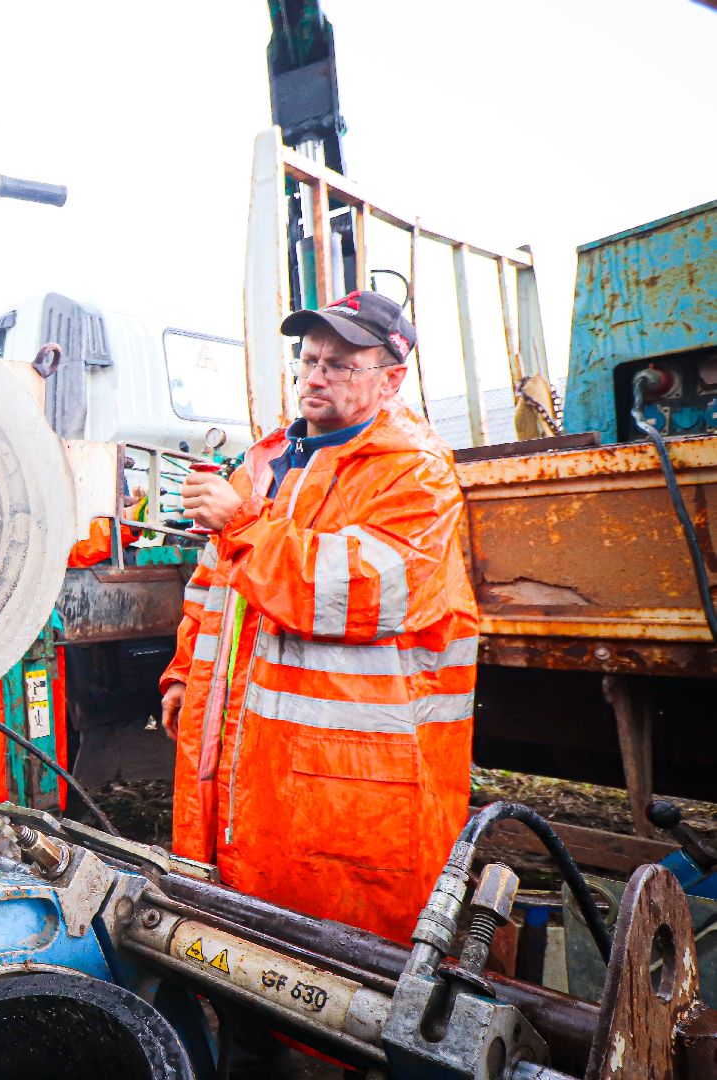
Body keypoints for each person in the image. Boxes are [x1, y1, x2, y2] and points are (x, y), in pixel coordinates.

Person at [160, 290, 477, 949]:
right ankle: (247, 1040)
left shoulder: (415, 475)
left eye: (340, 364)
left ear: (392, 378)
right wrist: (183, 677)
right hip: (246, 753)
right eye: (308, 360)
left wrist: (242, 523)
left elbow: (357, 593)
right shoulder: (264, 461)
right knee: (230, 919)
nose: (315, 376)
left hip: (349, 774)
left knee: (340, 952)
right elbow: (213, 586)